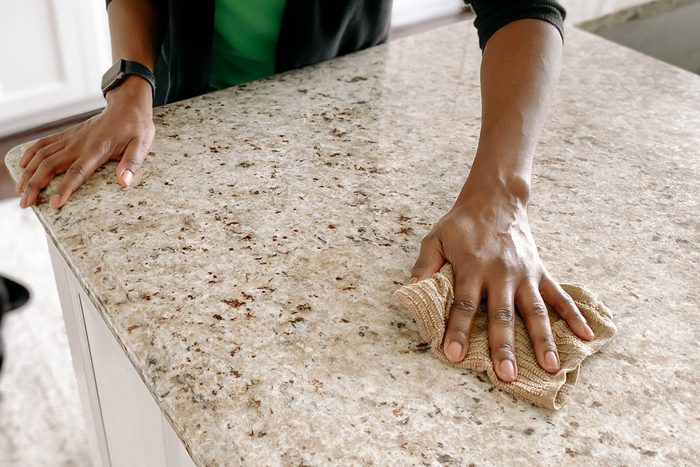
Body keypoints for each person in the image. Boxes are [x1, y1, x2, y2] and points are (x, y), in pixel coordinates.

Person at [14, 0, 595, 384]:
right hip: (185, 104)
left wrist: (502, 194)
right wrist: (130, 78)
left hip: (335, 105)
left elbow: (522, 5)